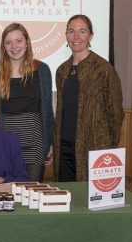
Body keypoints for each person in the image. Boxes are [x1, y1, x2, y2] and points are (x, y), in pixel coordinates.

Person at [53, 14, 125, 181]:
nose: (76, 37)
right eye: (71, 31)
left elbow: (116, 112)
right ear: (66, 36)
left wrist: (109, 147)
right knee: (67, 194)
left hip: (94, 147)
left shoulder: (104, 69)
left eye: (82, 31)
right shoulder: (61, 70)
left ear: (90, 36)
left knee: (89, 200)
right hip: (64, 147)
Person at [0, 23, 54, 182]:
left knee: (30, 191)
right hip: (4, 143)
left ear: (27, 42)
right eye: (8, 42)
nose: (14, 46)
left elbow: (47, 110)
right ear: (3, 46)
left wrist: (50, 142)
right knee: (5, 192)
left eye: (19, 41)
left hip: (35, 141)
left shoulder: (42, 70)